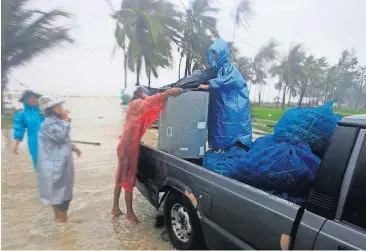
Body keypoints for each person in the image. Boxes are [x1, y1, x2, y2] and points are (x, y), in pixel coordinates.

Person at [111, 86, 183, 224]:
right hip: (129, 148)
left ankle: (115, 208)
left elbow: (135, 124)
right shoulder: (138, 103)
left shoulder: (132, 106)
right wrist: (167, 93)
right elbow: (150, 102)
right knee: (128, 179)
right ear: (141, 94)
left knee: (120, 177)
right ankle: (130, 214)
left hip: (125, 144)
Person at [199, 38, 252, 150]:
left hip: (231, 109)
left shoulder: (230, 68)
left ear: (222, 53)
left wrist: (208, 85)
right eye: (212, 53)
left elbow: (228, 80)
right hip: (219, 107)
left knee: (229, 130)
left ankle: (232, 148)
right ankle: (218, 148)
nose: (213, 56)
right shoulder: (217, 70)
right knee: (217, 128)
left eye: (215, 53)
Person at [37, 95, 81, 223]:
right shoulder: (49, 123)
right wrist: (66, 120)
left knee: (55, 196)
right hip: (57, 166)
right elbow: (61, 137)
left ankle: (58, 221)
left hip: (55, 165)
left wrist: (72, 147)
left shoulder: (53, 122)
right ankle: (64, 232)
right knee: (62, 198)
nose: (61, 108)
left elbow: (59, 141)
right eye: (58, 106)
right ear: (50, 109)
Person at [13, 90, 43, 170]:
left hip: (48, 140)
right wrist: (16, 144)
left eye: (34, 97)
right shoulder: (22, 114)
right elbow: (19, 128)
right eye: (30, 98)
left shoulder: (43, 111)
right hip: (34, 142)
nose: (34, 99)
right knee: (39, 165)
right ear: (25, 101)